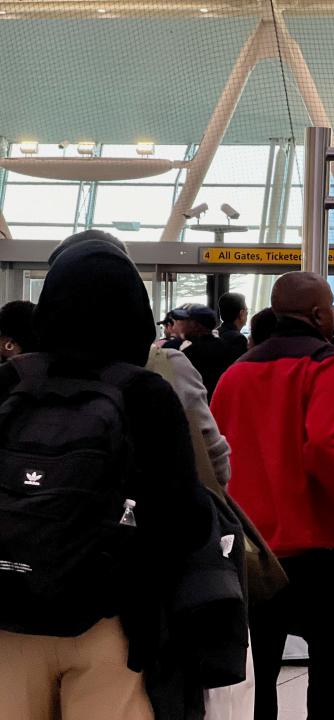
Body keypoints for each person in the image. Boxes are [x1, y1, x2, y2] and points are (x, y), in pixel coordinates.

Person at [0, 239, 213, 720]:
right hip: (113, 621)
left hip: (8, 615)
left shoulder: (10, 383)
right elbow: (182, 518)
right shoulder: (143, 393)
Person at [210, 271, 334, 720]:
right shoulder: (326, 364)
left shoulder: (236, 372)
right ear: (318, 313)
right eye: (330, 306)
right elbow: (328, 450)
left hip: (254, 551)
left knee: (261, 666)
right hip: (318, 548)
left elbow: (216, 459)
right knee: (329, 663)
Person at [172, 303, 233, 401]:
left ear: (196, 325)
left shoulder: (189, 353)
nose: (180, 324)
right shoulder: (227, 348)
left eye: (184, 320)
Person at [217, 292, 250, 362]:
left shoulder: (216, 333)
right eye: (247, 310)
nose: (247, 313)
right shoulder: (238, 340)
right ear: (241, 314)